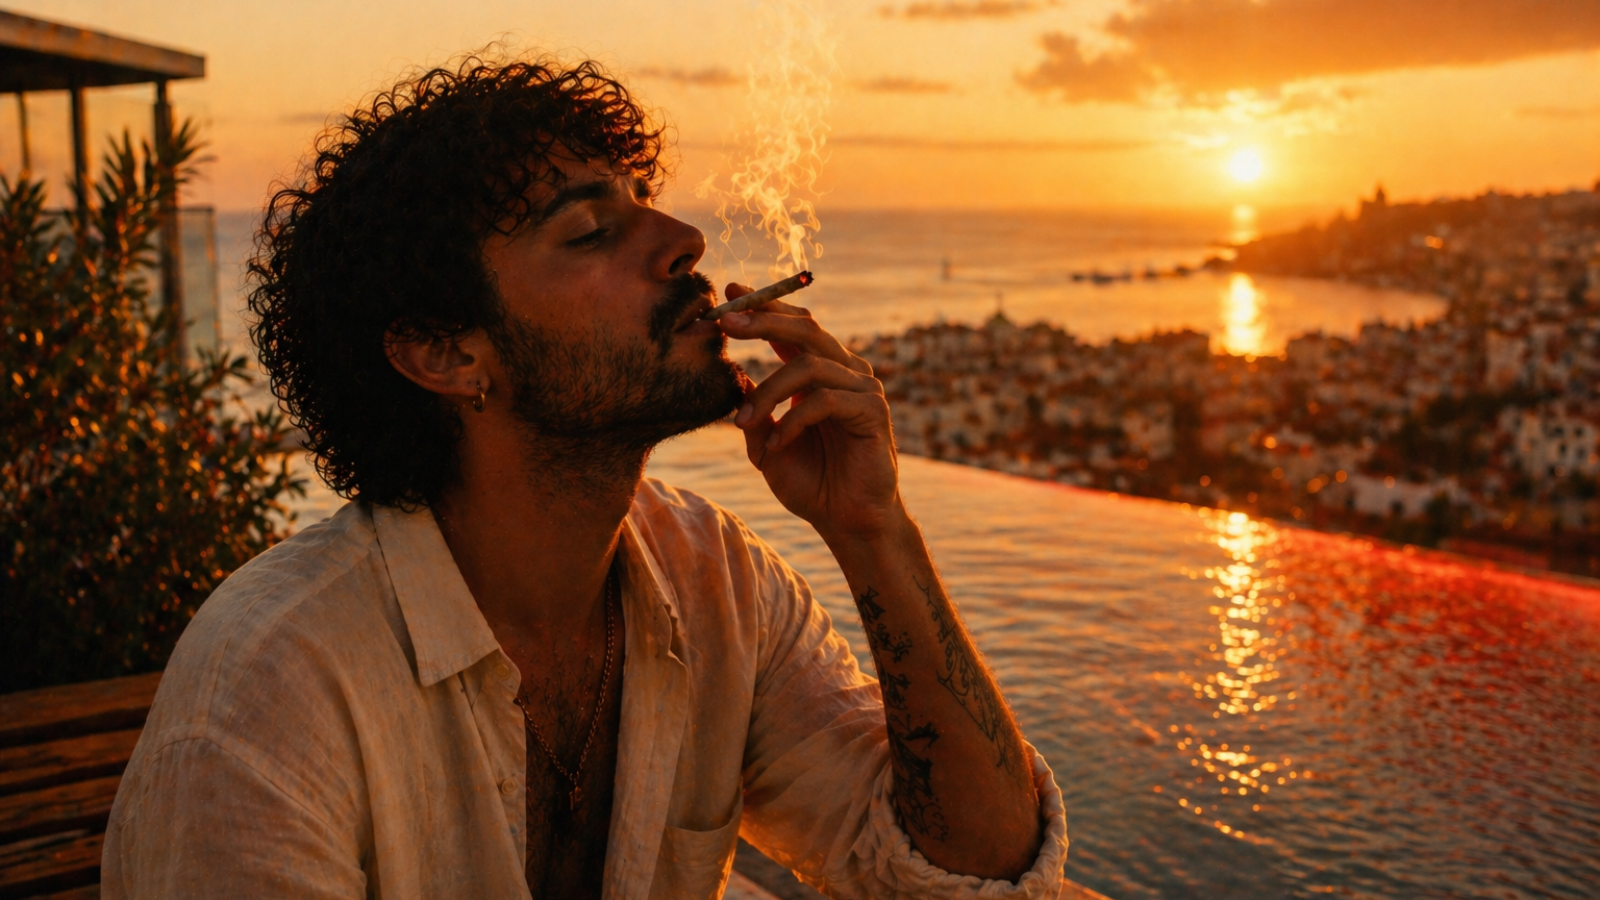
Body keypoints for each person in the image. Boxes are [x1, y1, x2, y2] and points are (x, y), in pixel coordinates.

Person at [102, 55, 1067, 900]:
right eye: (590, 233)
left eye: (642, 205)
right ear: (446, 355)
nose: (684, 237)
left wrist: (875, 532)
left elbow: (973, 876)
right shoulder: (271, 693)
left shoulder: (719, 585)